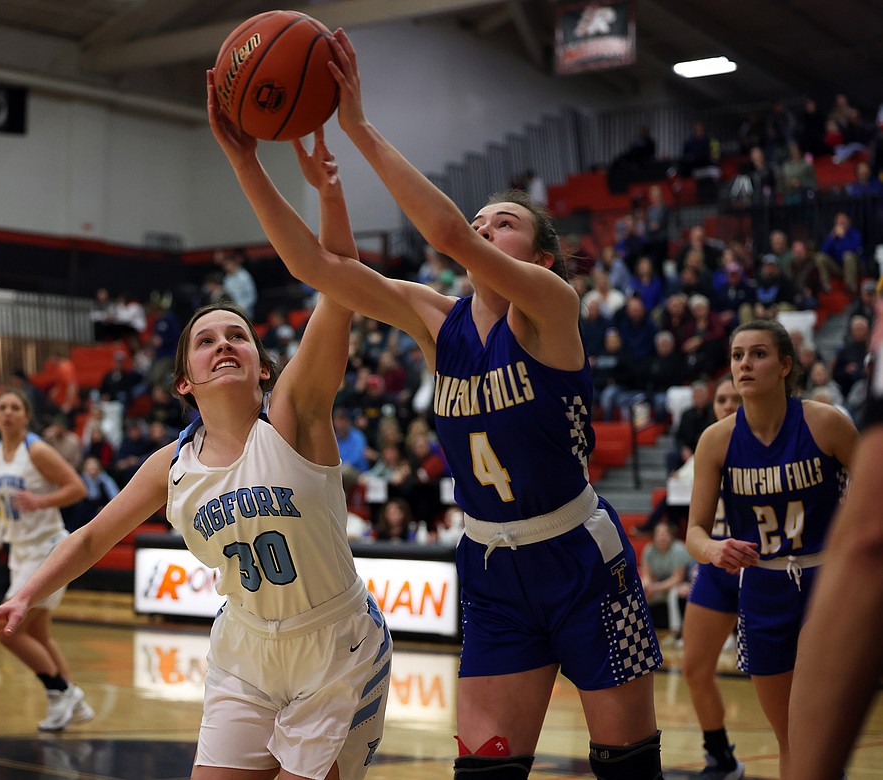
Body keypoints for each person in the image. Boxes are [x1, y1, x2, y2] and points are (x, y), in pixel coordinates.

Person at [209, 34, 664, 778]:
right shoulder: (434, 318)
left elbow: (446, 232)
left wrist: (357, 126)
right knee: (482, 772)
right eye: (482, 221)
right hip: (490, 566)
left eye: (505, 223)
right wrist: (243, 160)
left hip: (581, 556)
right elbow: (316, 267)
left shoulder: (553, 304)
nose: (485, 228)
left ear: (542, 255)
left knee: (626, 766)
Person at [0, 129, 392, 778]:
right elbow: (90, 536)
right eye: (206, 339)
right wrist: (26, 598)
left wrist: (327, 192)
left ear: (262, 367)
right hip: (244, 648)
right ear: (184, 379)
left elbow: (339, 288)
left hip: (334, 645)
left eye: (237, 337)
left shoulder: (296, 418)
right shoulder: (172, 465)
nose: (224, 344)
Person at [685, 320, 858, 779]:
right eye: (738, 355)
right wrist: (713, 550)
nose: (744, 364)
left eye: (758, 354)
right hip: (761, 584)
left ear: (785, 365)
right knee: (789, 738)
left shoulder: (827, 424)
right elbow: (695, 532)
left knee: (808, 730)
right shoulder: (716, 441)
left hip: (824, 580)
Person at [0, 387, 93, 730]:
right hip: (20, 551)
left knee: (6, 630)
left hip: (48, 549)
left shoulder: (37, 450)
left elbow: (78, 487)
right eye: (2, 407)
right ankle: (72, 702)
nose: (7, 412)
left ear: (26, 416)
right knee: (39, 634)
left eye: (15, 407)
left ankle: (61, 692)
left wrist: (39, 501)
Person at [787, 299, 883, 779]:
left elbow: (869, 534)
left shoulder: (826, 424)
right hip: (759, 571)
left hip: (816, 567)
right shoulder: (718, 439)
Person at [675, 376, 745, 779]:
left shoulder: (770, 443)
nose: (728, 405)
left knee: (785, 676)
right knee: (694, 669)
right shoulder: (706, 447)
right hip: (715, 560)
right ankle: (720, 755)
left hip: (764, 565)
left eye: (735, 399)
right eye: (721, 399)